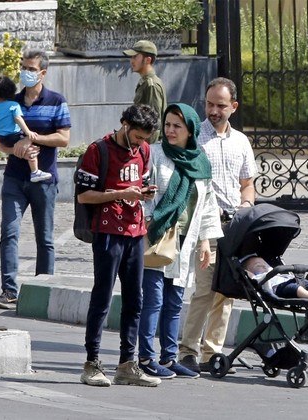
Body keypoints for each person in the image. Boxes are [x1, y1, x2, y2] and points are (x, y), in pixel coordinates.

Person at [77, 104, 162, 387]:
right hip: (107, 232)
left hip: (135, 232)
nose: (140, 144)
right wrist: (121, 193)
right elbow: (84, 196)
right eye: (137, 137)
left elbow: (143, 182)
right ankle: (92, 363)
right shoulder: (97, 150)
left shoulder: (144, 152)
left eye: (145, 139)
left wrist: (145, 194)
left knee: (135, 299)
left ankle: (127, 363)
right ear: (125, 125)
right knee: (102, 297)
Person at [137, 103, 224, 379]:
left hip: (185, 240)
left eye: (178, 126)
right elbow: (144, 190)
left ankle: (170, 356)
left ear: (191, 130)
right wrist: (150, 220)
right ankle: (145, 358)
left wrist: (206, 242)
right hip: (158, 237)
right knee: (153, 299)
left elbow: (208, 204)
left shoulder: (200, 161)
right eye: (168, 124)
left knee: (175, 300)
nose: (171, 130)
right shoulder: (156, 154)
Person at [178, 77, 258, 374]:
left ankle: (211, 352)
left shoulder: (241, 142)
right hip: (203, 225)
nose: (213, 110)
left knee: (226, 292)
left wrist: (246, 206)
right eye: (209, 104)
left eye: (220, 105)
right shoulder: (194, 137)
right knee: (204, 289)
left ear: (233, 107)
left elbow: (248, 184)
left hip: (234, 227)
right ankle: (187, 349)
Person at [0, 49, 71, 310]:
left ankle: (42, 291)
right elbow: (0, 141)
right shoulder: (11, 102)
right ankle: (9, 291)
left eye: (31, 68)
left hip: (44, 179)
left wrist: (35, 138)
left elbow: (64, 138)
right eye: (23, 66)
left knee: (45, 238)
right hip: (15, 177)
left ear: (43, 73)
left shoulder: (57, 101)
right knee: (9, 233)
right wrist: (12, 149)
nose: (26, 72)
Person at [0, 75, 51, 183]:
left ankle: (28, 161)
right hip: (14, 135)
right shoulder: (14, 105)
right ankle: (35, 171)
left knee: (24, 150)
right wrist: (28, 132)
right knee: (31, 149)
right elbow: (18, 119)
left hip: (2, 138)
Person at [123, 40, 167, 144]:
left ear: (147, 60)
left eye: (135, 57)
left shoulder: (151, 85)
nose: (131, 61)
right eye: (131, 57)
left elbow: (153, 123)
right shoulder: (145, 82)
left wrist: (144, 150)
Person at [242, 256, 308, 301]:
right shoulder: (259, 277)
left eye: (264, 264)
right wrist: (244, 271)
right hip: (279, 287)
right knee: (295, 288)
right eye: (258, 265)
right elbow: (249, 275)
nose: (263, 266)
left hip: (289, 280)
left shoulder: (274, 272)